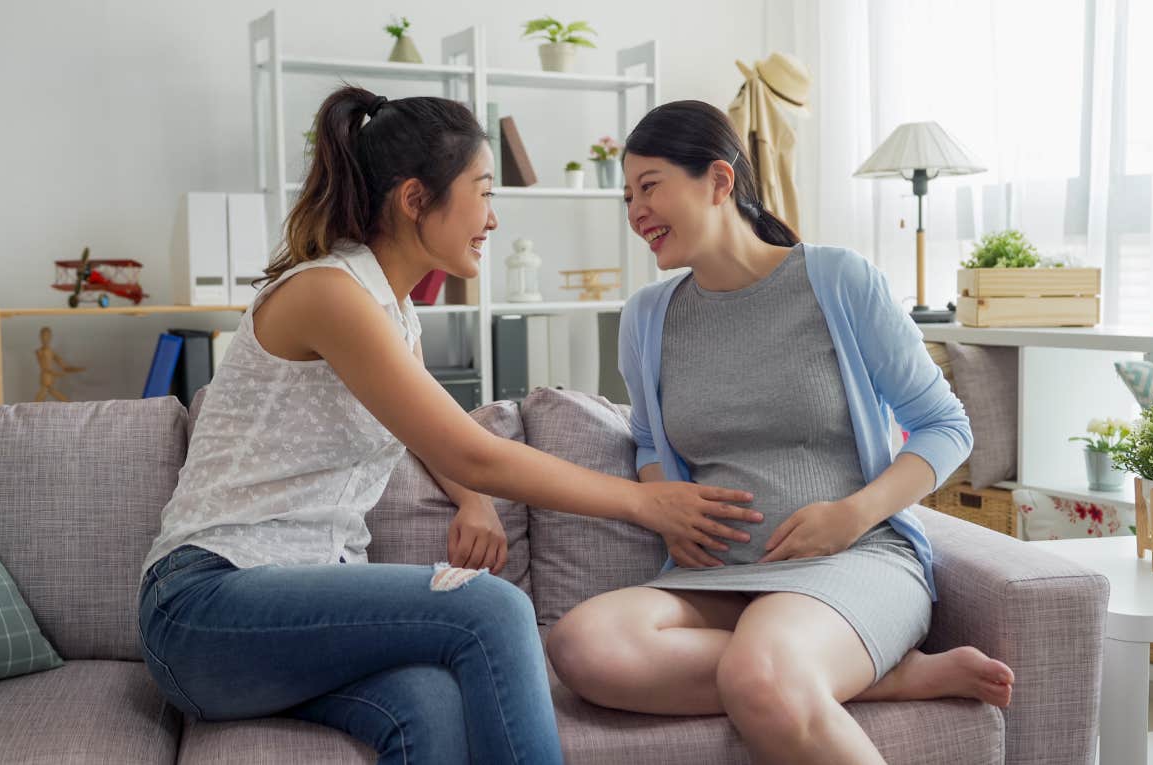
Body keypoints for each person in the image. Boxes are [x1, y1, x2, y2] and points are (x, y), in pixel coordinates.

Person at [136, 88, 760, 765]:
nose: (492, 218)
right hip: (208, 604)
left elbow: (424, 425)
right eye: (483, 192)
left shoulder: (393, 314)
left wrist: (471, 500)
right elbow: (471, 449)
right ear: (413, 200)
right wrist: (646, 500)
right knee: (494, 608)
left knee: (432, 706)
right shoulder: (328, 294)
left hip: (289, 615)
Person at [544, 100, 1016, 764]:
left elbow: (944, 426)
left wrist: (851, 515)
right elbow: (650, 440)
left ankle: (802, 666)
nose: (635, 212)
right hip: (718, 579)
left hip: (852, 563)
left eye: (649, 186)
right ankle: (880, 676)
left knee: (759, 673)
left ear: (718, 180)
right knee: (581, 644)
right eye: (627, 197)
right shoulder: (647, 318)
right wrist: (668, 506)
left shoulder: (836, 281)